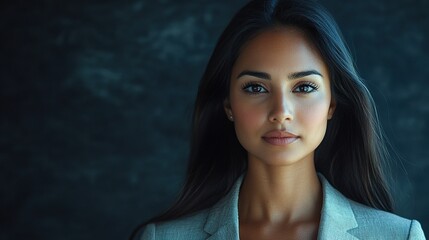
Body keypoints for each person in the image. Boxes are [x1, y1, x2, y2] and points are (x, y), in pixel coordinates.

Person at [133, 0, 426, 239]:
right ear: (228, 105)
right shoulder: (162, 237)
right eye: (256, 87)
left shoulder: (399, 236)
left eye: (303, 87)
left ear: (332, 104)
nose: (281, 111)